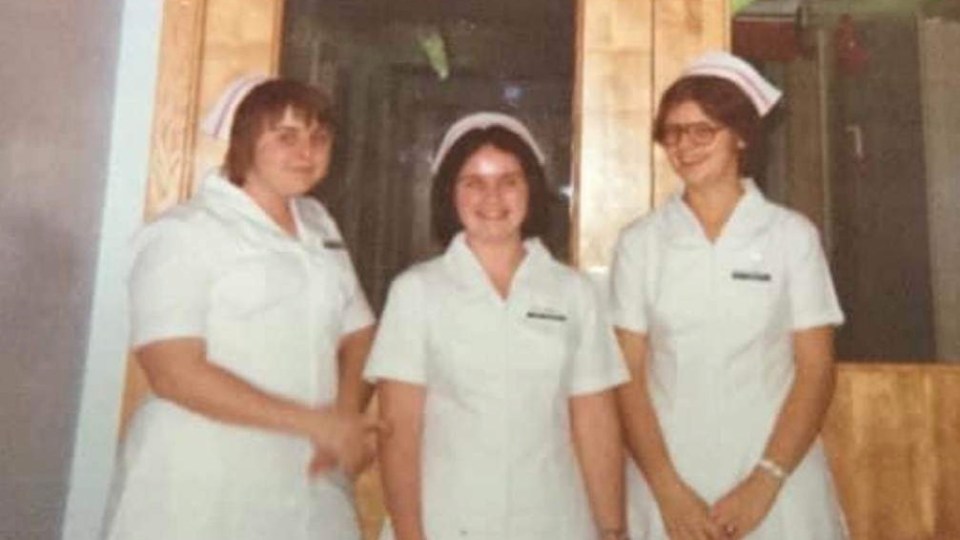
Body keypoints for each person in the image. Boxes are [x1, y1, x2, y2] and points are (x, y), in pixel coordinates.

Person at [102, 79, 379, 540]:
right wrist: (316, 423)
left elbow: (360, 332)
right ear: (244, 143)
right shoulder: (185, 232)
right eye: (286, 136)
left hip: (302, 478)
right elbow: (173, 372)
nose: (306, 151)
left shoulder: (318, 224)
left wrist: (345, 418)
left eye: (319, 137)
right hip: (200, 481)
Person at [610, 52, 848, 540]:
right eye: (674, 132)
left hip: (777, 481)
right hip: (669, 481)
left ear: (741, 136)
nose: (685, 146)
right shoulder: (641, 243)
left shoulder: (790, 237)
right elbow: (626, 376)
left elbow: (816, 369)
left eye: (703, 131)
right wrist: (667, 489)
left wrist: (766, 481)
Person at [364, 112, 630, 540]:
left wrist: (613, 530)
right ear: (449, 193)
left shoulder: (573, 292)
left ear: (532, 190)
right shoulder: (417, 292)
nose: (493, 197)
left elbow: (594, 420)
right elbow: (399, 432)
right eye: (473, 182)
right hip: (449, 520)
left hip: (554, 520)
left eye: (509, 180)